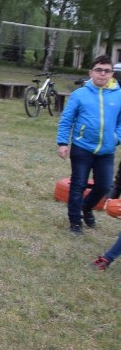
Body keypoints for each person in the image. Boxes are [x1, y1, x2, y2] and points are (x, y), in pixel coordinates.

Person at [56, 55, 121, 235]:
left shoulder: (119, 94)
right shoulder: (80, 94)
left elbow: (120, 121)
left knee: (104, 186)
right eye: (98, 70)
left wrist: (117, 138)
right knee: (78, 185)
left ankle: (86, 207)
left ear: (112, 73)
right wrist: (62, 143)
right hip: (82, 147)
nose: (102, 74)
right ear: (91, 72)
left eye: (106, 71)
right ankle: (75, 222)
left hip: (107, 151)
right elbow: (66, 120)